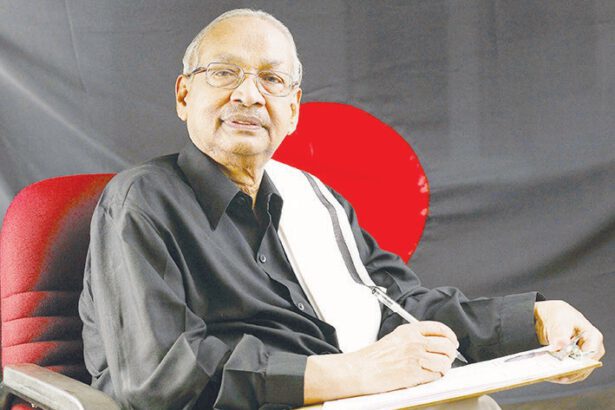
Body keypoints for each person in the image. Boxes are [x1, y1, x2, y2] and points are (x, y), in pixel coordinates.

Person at [78, 8, 604, 410]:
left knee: (472, 406)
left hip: (349, 400)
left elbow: (401, 306)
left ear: (293, 111)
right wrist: (354, 374)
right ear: (183, 96)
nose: (249, 95)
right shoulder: (141, 202)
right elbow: (159, 375)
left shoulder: (313, 199)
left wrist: (535, 321)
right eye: (224, 72)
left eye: (272, 80)